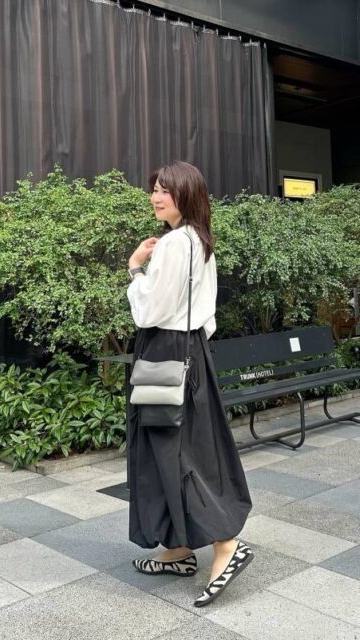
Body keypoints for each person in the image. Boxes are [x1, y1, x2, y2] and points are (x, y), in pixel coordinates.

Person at [126, 160, 254, 607]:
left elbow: (150, 311)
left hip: (166, 351)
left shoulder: (175, 244)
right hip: (191, 352)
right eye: (155, 189)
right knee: (182, 449)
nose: (156, 197)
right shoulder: (199, 240)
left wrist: (135, 268)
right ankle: (180, 548)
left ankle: (226, 544)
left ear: (187, 194)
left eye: (166, 190)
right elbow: (207, 313)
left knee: (175, 454)